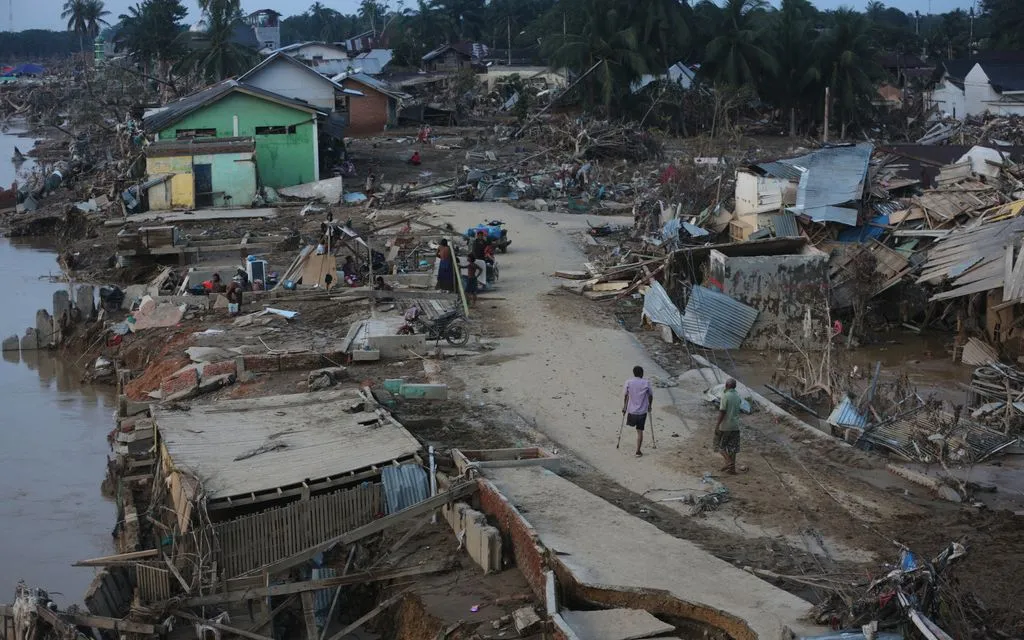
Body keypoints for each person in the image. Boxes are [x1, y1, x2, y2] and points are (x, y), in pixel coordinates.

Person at [622, 365, 653, 457]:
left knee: (634, 426)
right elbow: (650, 395)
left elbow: (626, 395)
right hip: (642, 411)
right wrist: (650, 406)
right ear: (641, 373)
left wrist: (624, 407)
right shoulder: (646, 382)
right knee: (640, 431)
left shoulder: (629, 382)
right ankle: (638, 451)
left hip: (631, 411)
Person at [715, 379, 743, 475]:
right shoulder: (738, 396)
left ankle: (729, 462)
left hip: (726, 425)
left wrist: (717, 425)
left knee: (720, 447)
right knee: (733, 448)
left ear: (726, 386)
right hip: (735, 426)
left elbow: (722, 411)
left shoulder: (725, 396)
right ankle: (732, 469)